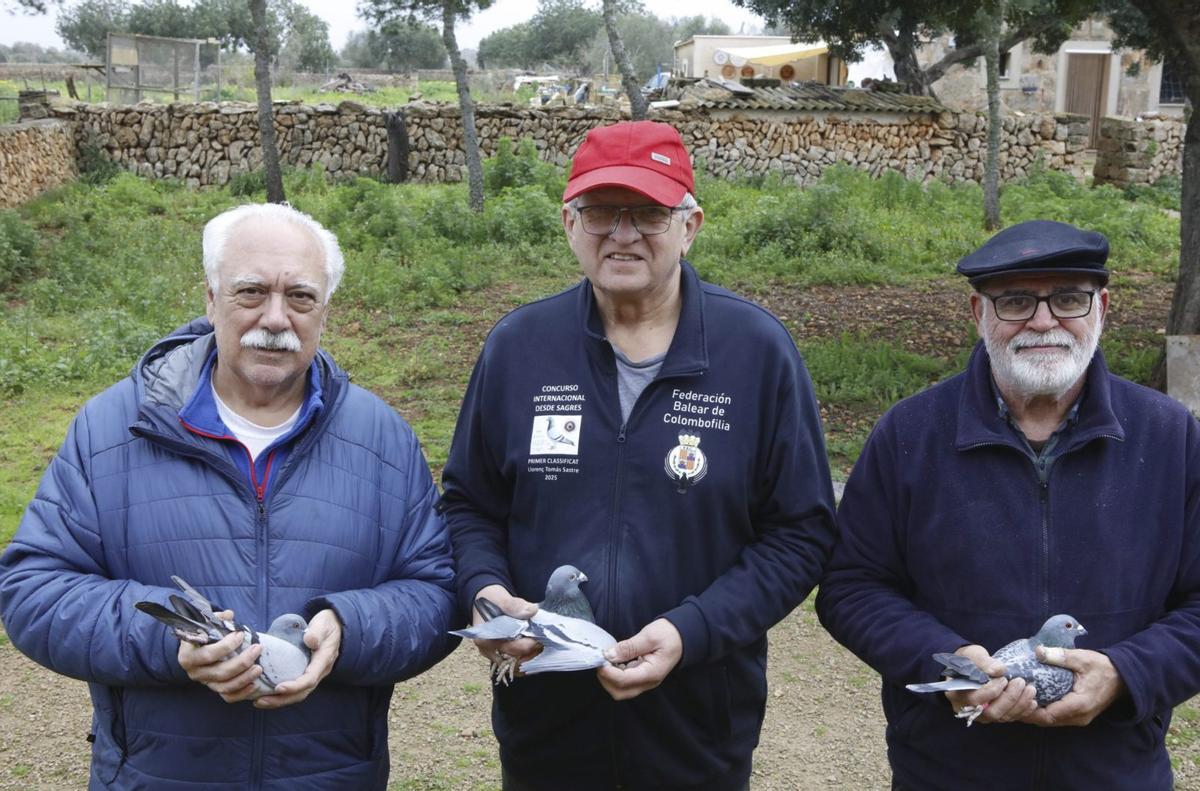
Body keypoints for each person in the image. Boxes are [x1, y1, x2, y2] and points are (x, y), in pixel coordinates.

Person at [0, 203, 457, 789]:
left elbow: (438, 593)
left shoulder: (382, 438)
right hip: (158, 775)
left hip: (330, 775)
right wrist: (171, 637)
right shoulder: (113, 428)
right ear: (210, 298)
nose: (275, 318)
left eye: (300, 297)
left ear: (325, 311)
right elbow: (33, 591)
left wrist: (351, 627)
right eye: (250, 292)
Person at [439, 120, 838, 790]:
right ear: (569, 223)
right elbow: (468, 505)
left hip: (698, 727)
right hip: (546, 729)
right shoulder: (519, 348)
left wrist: (692, 630)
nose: (623, 233)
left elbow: (801, 532)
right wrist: (484, 592)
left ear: (691, 224)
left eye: (649, 211)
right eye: (601, 211)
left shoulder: (757, 352)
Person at [816, 219, 1200, 789]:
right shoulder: (910, 435)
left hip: (1115, 771)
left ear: (1103, 307)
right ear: (979, 314)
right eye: (1015, 301)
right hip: (948, 770)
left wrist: (1126, 674)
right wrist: (947, 660)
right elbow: (852, 587)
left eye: (1069, 298)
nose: (1043, 321)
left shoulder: (1171, 438)